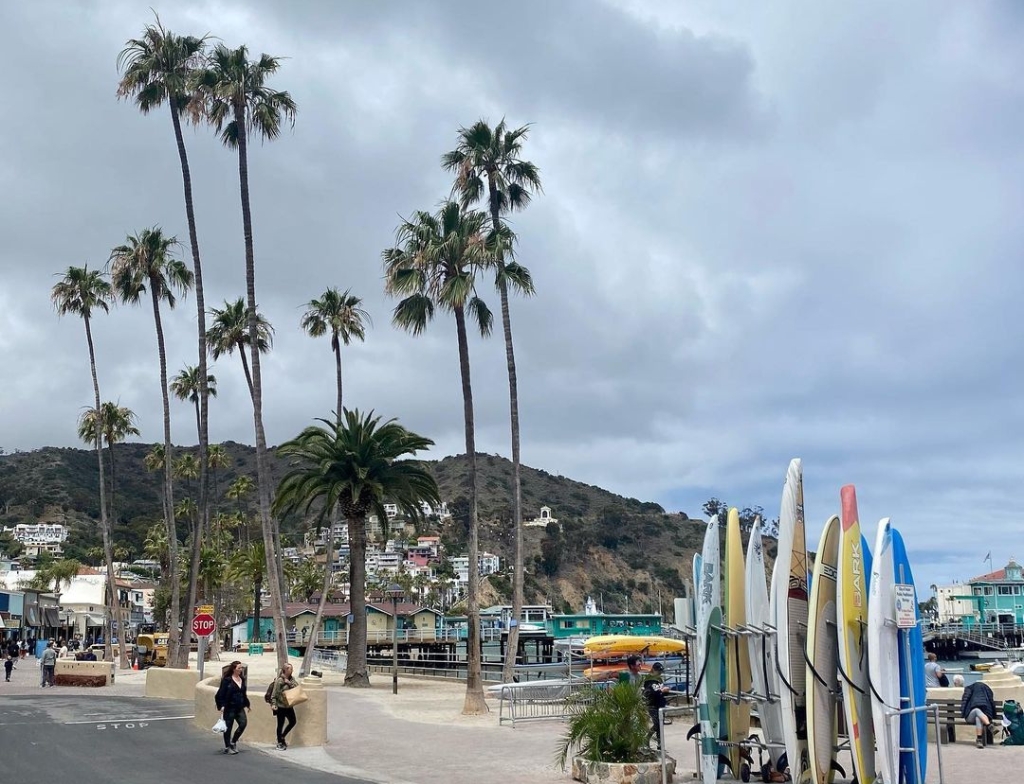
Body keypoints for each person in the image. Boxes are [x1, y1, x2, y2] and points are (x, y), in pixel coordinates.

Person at [215, 661, 250, 754]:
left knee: (243, 723)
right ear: (234, 669)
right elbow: (221, 693)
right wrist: (221, 705)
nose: (241, 670)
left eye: (241, 668)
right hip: (229, 707)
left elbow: (243, 693)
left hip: (239, 707)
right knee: (228, 727)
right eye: (239, 668)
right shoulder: (227, 680)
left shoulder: (242, 679)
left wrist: (247, 704)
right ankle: (227, 746)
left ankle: (233, 741)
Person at [270, 663, 299, 750]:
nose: (292, 670)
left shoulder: (291, 679)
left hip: (289, 705)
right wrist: (274, 704)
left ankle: (282, 736)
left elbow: (297, 687)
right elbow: (274, 694)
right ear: (285, 670)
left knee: (293, 721)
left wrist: (289, 683)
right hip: (281, 706)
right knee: (280, 724)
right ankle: (279, 742)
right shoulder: (279, 681)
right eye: (290, 669)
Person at [961, 679, 997, 748]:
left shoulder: (970, 689)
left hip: (981, 718)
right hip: (969, 717)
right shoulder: (970, 690)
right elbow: (964, 703)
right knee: (977, 710)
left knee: (978, 718)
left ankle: (979, 740)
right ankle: (989, 725)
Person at [643, 662, 670, 748]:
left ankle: (660, 743)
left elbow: (660, 691)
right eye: (658, 671)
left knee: (660, 725)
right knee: (657, 724)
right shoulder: (649, 680)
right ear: (654, 670)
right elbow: (650, 692)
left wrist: (665, 692)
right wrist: (662, 691)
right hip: (652, 704)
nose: (660, 672)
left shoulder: (659, 679)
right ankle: (647, 738)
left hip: (660, 703)